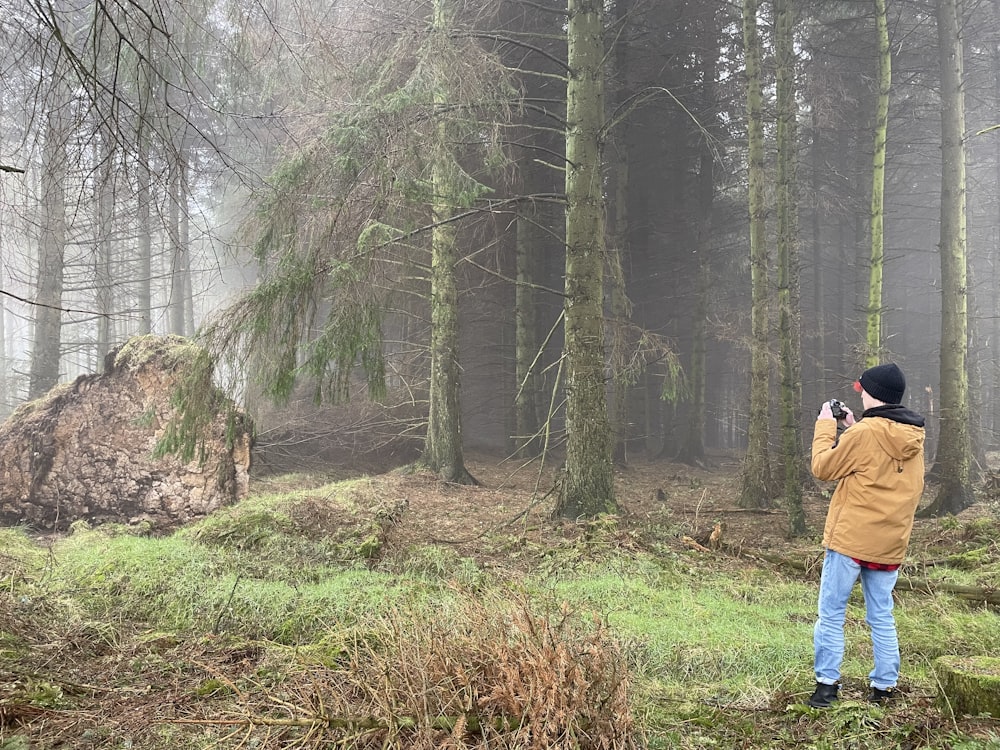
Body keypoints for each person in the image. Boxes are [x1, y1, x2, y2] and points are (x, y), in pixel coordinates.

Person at [807, 363, 926, 708]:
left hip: (850, 541)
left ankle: (827, 687)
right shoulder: (913, 437)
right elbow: (881, 458)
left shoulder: (864, 436)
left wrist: (827, 424)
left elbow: (822, 467)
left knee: (831, 612)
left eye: (861, 391)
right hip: (890, 543)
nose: (859, 395)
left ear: (872, 394)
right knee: (881, 615)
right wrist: (853, 426)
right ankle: (884, 688)